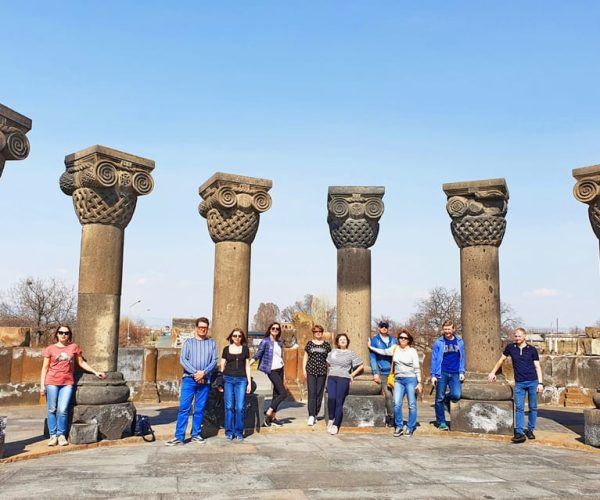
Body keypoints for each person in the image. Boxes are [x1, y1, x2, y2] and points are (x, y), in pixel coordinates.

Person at [40, 325, 106, 446]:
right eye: (61, 332)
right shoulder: (50, 349)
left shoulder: (73, 347)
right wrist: (42, 385)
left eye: (66, 333)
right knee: (52, 409)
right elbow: (44, 368)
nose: (63, 335)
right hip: (52, 382)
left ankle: (61, 435)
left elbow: (81, 363)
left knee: (63, 410)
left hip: (67, 383)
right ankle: (52, 435)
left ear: (70, 335)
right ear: (57, 334)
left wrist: (96, 372)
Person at [166, 317, 218, 446]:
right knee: (184, 408)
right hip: (189, 379)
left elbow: (214, 361)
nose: (203, 330)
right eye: (200, 327)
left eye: (205, 328)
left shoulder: (212, 343)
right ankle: (179, 436)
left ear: (207, 328)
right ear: (196, 328)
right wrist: (196, 373)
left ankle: (196, 434)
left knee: (199, 409)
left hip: (205, 380)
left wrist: (203, 373)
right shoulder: (188, 343)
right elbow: (183, 360)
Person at [488, 327, 543, 443]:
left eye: (519, 336)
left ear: (525, 336)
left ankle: (530, 430)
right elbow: (501, 360)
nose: (517, 338)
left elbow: (538, 367)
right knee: (519, 408)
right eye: (516, 336)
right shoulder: (510, 348)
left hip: (533, 382)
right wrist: (493, 372)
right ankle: (519, 432)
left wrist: (540, 383)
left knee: (533, 407)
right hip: (519, 383)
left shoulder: (532, 350)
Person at [369, 329, 422, 437]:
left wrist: (419, 382)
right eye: (401, 337)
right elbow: (383, 351)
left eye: (405, 338)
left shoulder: (412, 351)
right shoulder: (395, 348)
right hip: (398, 380)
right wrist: (371, 347)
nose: (402, 339)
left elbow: (417, 367)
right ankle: (399, 426)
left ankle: (410, 427)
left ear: (409, 340)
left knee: (412, 404)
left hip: (411, 379)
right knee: (396, 403)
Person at [430, 319, 465, 431]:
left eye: (449, 329)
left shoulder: (459, 341)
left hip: (455, 373)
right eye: (445, 329)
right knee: (438, 398)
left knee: (456, 395)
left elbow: (462, 357)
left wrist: (462, 371)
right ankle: (442, 422)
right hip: (442, 373)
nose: (447, 331)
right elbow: (434, 359)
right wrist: (433, 375)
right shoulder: (439, 342)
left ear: (453, 329)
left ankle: (446, 398)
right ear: (443, 330)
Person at [326, 333, 364, 435]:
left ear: (347, 342)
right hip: (332, 377)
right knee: (331, 398)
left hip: (343, 378)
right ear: (337, 342)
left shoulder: (351, 353)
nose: (343, 341)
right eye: (341, 339)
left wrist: (352, 374)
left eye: (345, 339)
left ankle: (336, 424)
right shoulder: (333, 351)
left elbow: (361, 365)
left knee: (339, 401)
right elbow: (328, 362)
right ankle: (331, 418)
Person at [250, 322, 287, 427]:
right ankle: (268, 413)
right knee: (283, 393)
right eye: (273, 328)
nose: (275, 330)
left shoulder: (279, 343)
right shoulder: (265, 341)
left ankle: (273, 417)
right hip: (271, 369)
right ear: (269, 330)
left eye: (277, 329)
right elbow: (258, 354)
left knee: (276, 394)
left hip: (280, 368)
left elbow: (281, 357)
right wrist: (249, 363)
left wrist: (284, 375)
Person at [220, 328, 252, 442]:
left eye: (239, 336)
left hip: (241, 380)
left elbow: (247, 366)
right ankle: (229, 432)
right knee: (229, 406)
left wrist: (249, 383)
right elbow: (222, 365)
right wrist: (221, 381)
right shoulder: (226, 349)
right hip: (228, 379)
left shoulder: (245, 349)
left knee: (239, 407)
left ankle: (238, 432)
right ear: (231, 337)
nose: (237, 338)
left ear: (242, 337)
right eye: (235, 336)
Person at [370, 321, 398, 426]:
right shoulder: (375, 341)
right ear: (378, 328)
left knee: (397, 397)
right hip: (382, 372)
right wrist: (375, 372)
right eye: (382, 326)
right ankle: (391, 417)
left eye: (386, 326)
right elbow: (373, 358)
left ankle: (396, 417)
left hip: (394, 372)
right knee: (388, 396)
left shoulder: (394, 340)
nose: (384, 328)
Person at [302, 324, 331, 426]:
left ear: (322, 333)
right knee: (312, 392)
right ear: (313, 333)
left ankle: (315, 413)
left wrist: (331, 369)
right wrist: (304, 370)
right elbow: (305, 357)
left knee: (319, 393)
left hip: (322, 371)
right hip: (311, 370)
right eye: (316, 332)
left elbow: (329, 359)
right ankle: (311, 415)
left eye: (319, 331)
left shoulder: (326, 345)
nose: (318, 333)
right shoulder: (309, 344)